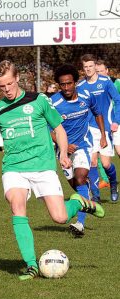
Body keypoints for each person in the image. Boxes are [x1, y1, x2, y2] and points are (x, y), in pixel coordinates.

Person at [0, 60, 105, 280]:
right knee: (17, 205)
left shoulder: (38, 100)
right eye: (1, 86)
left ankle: (79, 202)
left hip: (43, 165)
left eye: (9, 83)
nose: (6, 89)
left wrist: (63, 154)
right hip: (14, 167)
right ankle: (31, 265)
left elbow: (59, 128)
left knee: (60, 217)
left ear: (17, 78)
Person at [51, 64, 106, 237]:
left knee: (81, 179)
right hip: (63, 151)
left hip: (83, 145)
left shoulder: (86, 95)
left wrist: (103, 135)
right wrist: (64, 146)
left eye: (69, 83)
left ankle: (80, 224)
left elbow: (98, 113)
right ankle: (88, 201)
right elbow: (48, 129)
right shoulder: (54, 103)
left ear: (75, 82)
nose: (66, 87)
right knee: (76, 186)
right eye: (62, 84)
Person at [78, 54, 120, 203]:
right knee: (92, 162)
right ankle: (95, 196)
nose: (88, 69)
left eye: (90, 66)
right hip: (89, 128)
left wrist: (116, 121)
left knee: (106, 163)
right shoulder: (80, 86)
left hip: (106, 127)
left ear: (95, 66)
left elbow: (117, 100)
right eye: (85, 67)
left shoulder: (106, 81)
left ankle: (113, 185)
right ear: (83, 69)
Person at [95, 60, 120, 167]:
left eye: (102, 71)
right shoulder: (93, 85)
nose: (100, 73)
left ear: (107, 71)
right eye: (97, 71)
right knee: (100, 152)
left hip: (116, 121)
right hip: (101, 122)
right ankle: (105, 180)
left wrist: (117, 121)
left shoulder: (117, 83)